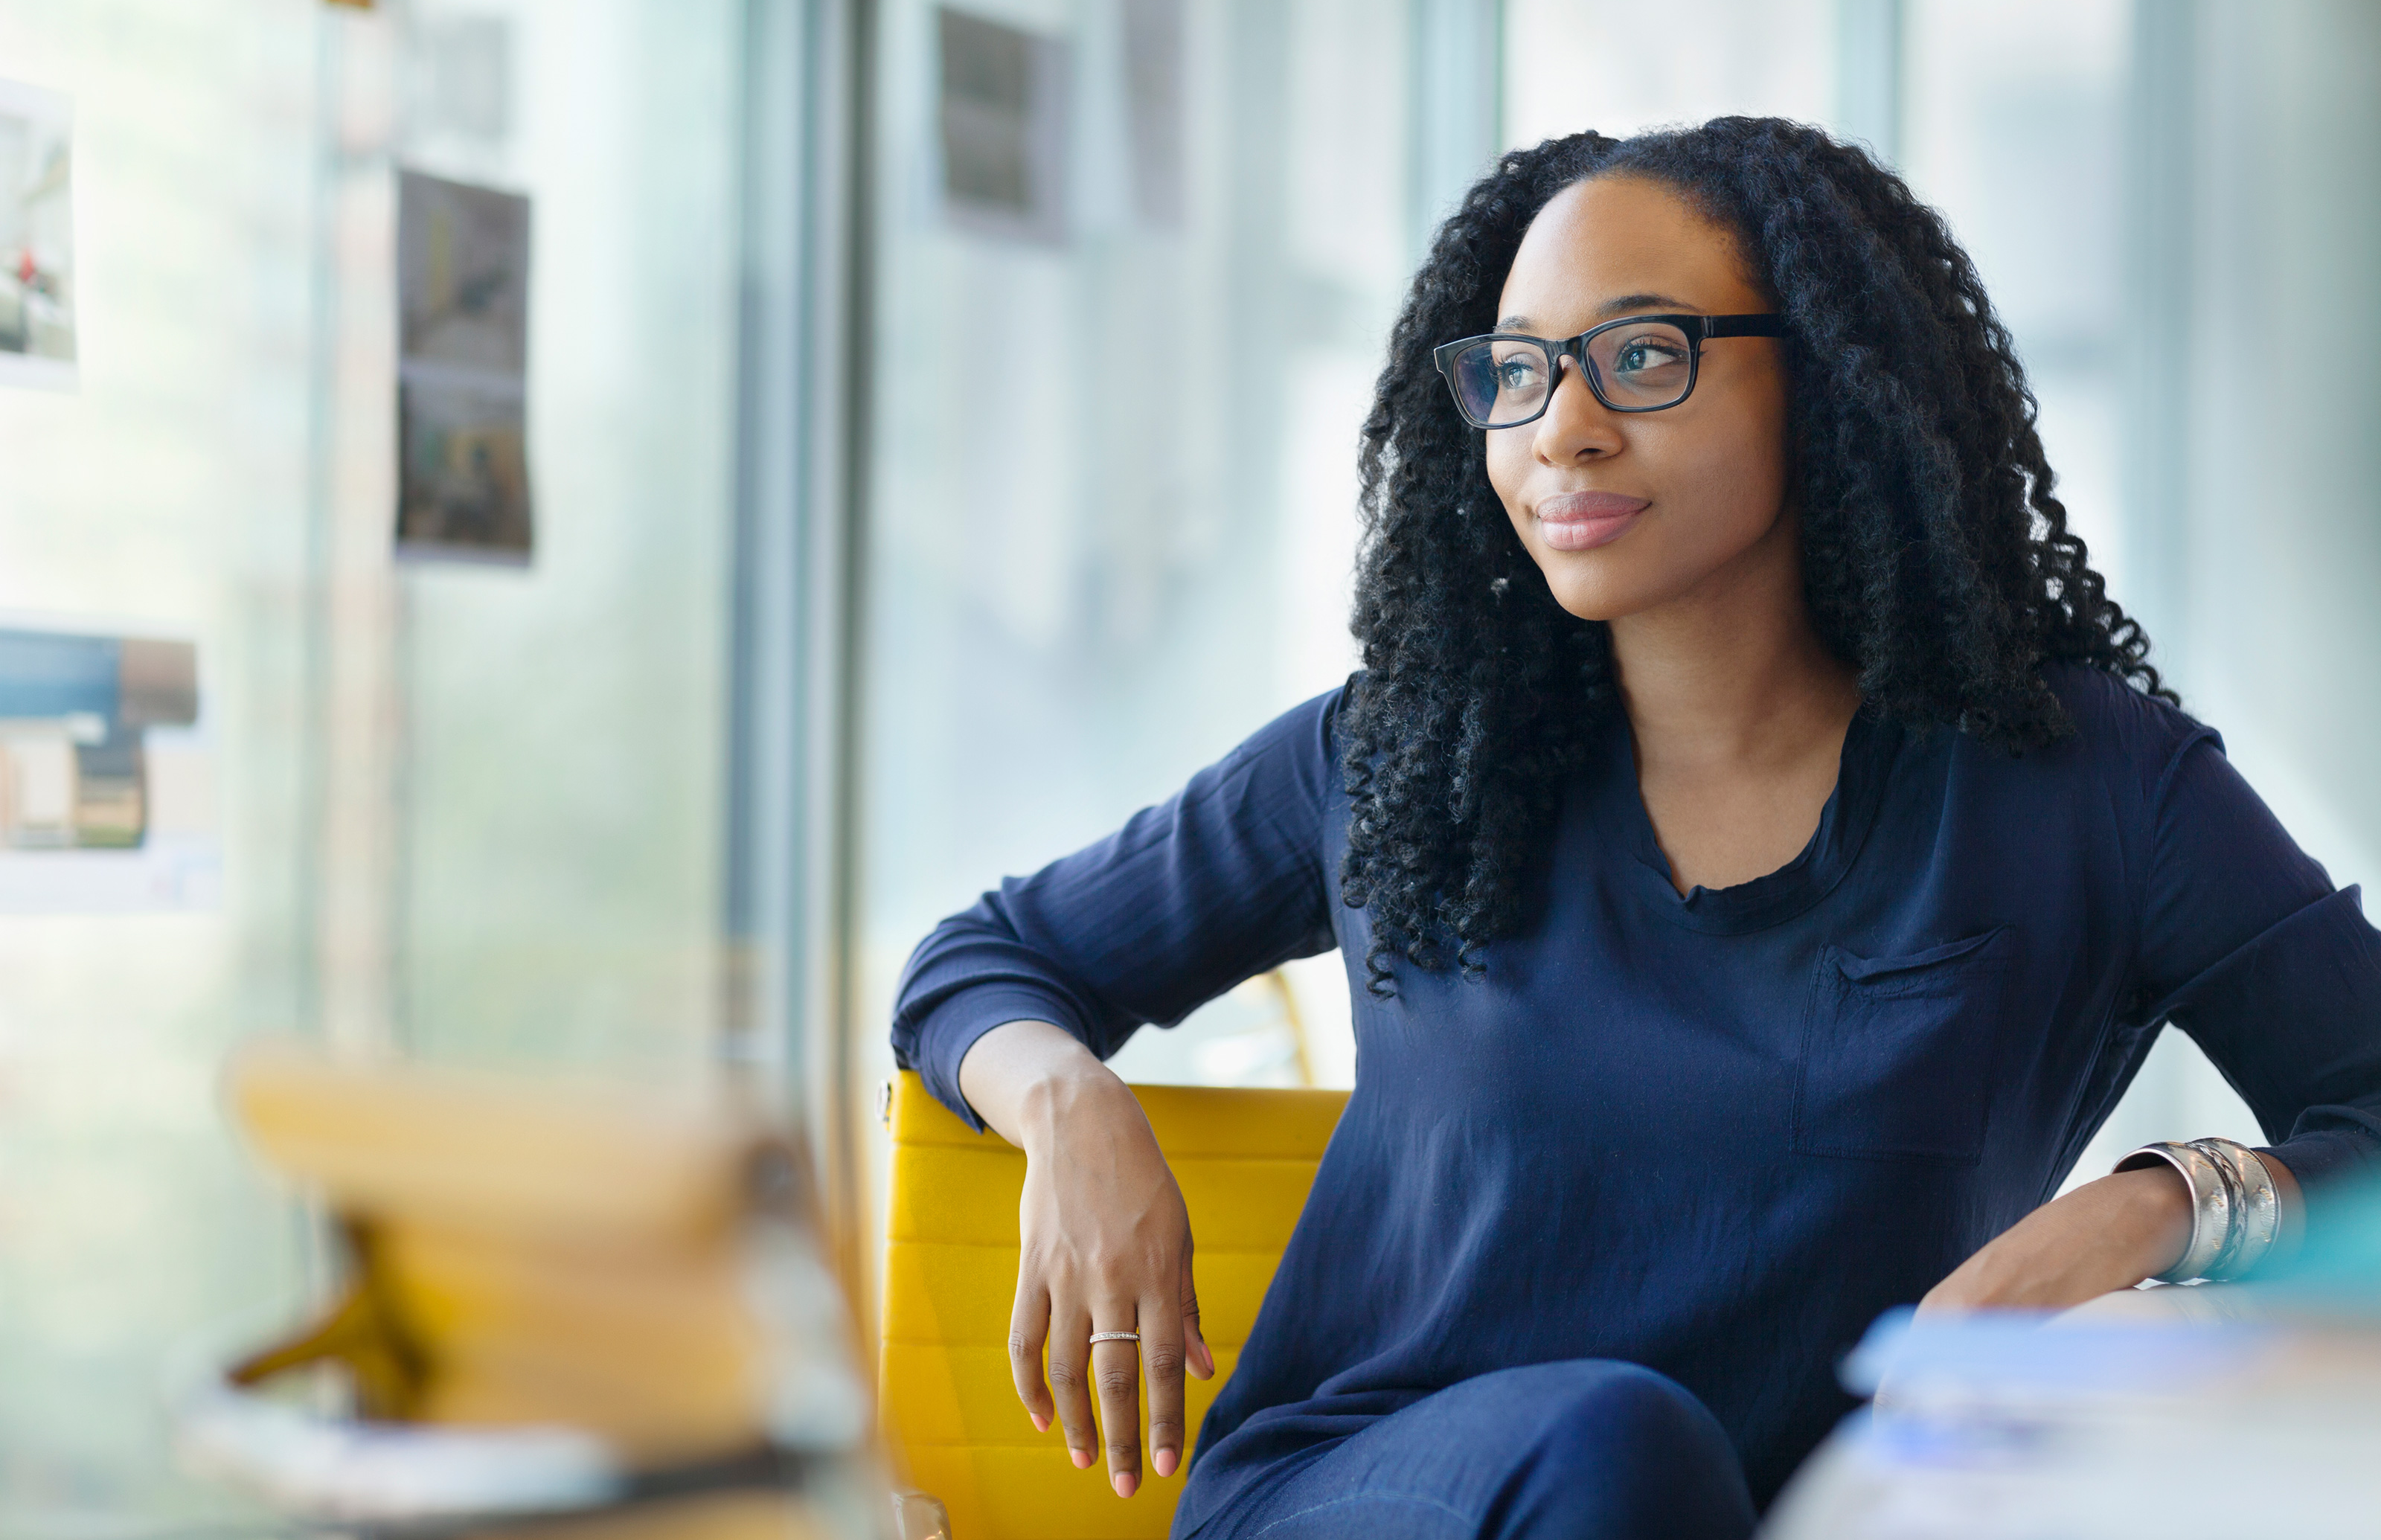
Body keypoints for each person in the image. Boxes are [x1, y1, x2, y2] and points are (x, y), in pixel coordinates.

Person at [889, 118, 2381, 1539]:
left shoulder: (2082, 783)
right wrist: (1073, 1109)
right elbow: (985, 959)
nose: (1564, 430)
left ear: (1828, 382)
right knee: (1613, 1441)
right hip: (1361, 1497)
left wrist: (2155, 1208)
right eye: (1517, 371)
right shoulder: (1406, 753)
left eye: (1643, 357)